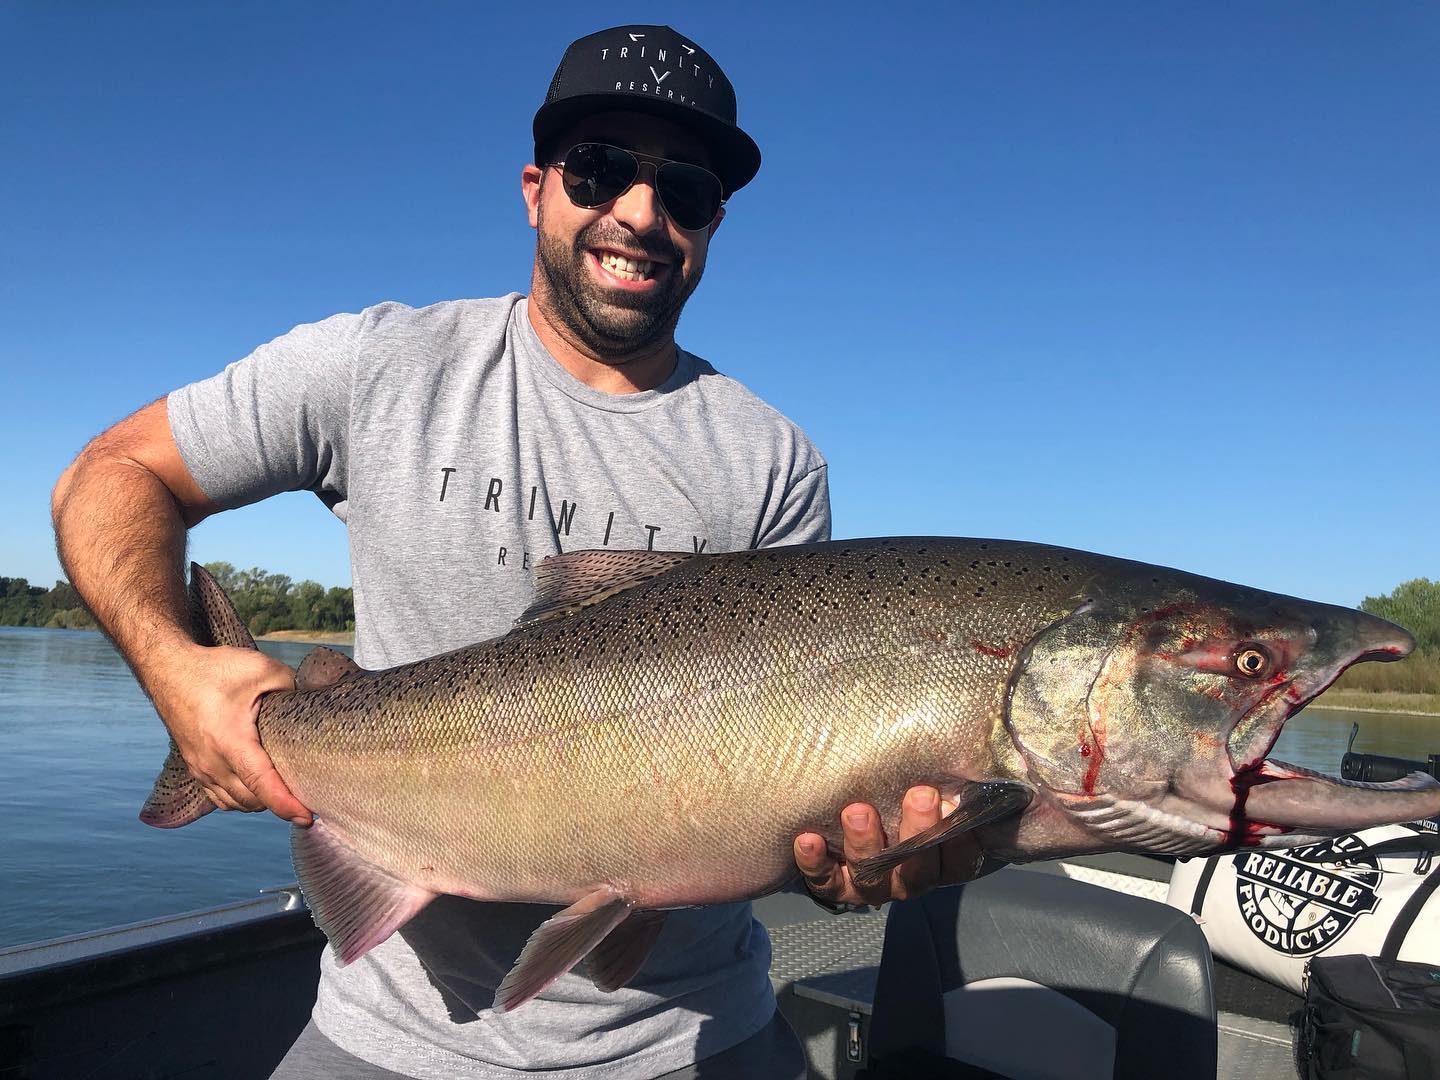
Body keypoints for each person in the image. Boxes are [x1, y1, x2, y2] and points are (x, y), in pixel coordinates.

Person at [52, 24, 982, 1079]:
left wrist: (852, 864)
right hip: (391, 1031)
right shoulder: (380, 367)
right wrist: (179, 675)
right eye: (599, 171)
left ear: (716, 222)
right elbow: (113, 473)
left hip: (690, 1031)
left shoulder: (775, 462)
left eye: (686, 188)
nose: (641, 212)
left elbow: (788, 797)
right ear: (535, 188)